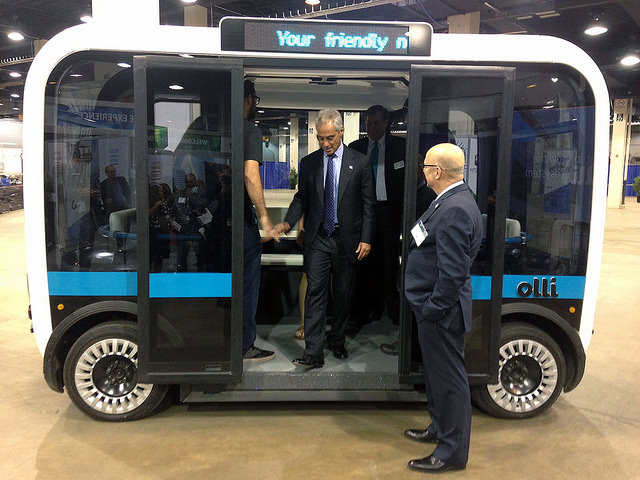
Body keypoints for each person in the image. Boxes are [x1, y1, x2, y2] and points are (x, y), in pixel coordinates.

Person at [274, 108, 375, 369]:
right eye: (320, 138)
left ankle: (338, 340)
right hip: (318, 237)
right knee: (315, 294)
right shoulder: (309, 163)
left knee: (342, 294)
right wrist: (288, 222)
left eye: (330, 137)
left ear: (341, 132)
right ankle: (313, 354)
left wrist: (366, 238)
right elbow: (302, 198)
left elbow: (368, 205)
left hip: (348, 239)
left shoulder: (361, 162)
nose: (325, 143)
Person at [403, 143, 483, 473]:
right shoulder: (449, 201)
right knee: (437, 378)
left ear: (437, 172)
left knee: (450, 382)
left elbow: (453, 274)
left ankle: (450, 452)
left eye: (425, 167)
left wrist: (431, 307)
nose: (422, 171)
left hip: (441, 313)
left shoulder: (455, 209)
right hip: (433, 310)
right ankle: (438, 427)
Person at [349, 105, 406, 331]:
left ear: (386, 123)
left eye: (375, 123)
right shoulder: (356, 148)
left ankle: (392, 310)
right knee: (364, 264)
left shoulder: (401, 147)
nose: (371, 127)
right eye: (368, 123)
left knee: (389, 262)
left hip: (390, 212)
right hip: (363, 213)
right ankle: (364, 311)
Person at [241, 79, 276, 363]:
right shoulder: (250, 130)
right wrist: (264, 217)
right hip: (241, 226)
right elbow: (250, 174)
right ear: (249, 100)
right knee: (247, 285)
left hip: (213, 226)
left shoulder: (207, 126)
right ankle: (243, 346)